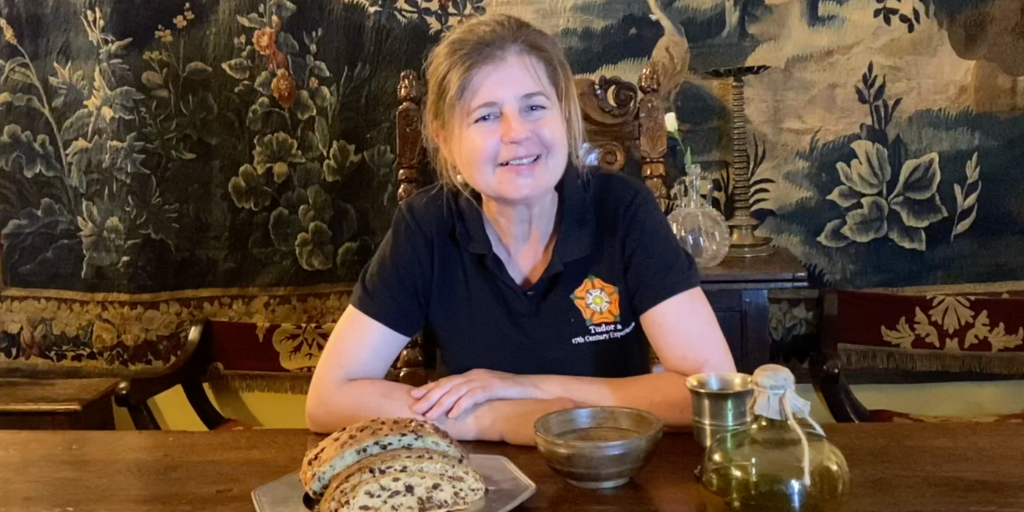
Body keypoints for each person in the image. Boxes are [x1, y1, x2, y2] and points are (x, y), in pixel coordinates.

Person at [306, 13, 735, 445]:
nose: (517, 133)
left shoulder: (623, 211)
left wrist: (527, 387)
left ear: (563, 115)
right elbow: (328, 399)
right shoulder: (427, 225)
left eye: (534, 107)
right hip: (475, 485)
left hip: (609, 473)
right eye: (486, 116)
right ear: (444, 139)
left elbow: (714, 393)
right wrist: (492, 419)